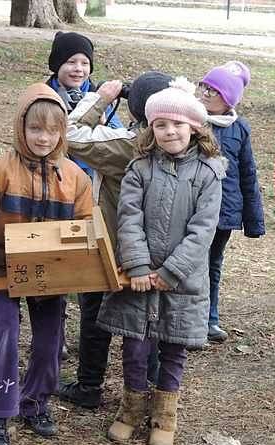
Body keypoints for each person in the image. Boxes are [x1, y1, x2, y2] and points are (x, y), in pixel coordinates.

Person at [96, 77, 224, 445]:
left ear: (195, 127)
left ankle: (164, 413)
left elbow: (204, 230)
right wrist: (136, 266)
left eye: (178, 124)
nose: (170, 131)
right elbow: (128, 217)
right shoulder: (140, 169)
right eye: (161, 125)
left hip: (181, 280)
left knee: (173, 347)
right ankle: (131, 408)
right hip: (139, 276)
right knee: (134, 345)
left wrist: (171, 271)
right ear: (151, 129)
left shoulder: (209, 172)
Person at [0, 83, 93, 445]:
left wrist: (82, 269)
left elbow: (86, 229)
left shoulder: (76, 177)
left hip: (51, 273)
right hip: (1, 268)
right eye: (35, 129)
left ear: (62, 132)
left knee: (50, 340)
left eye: (52, 130)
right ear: (20, 127)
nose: (44, 138)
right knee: (5, 332)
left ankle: (35, 402)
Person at [58, 71, 173, 409]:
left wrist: (103, 97)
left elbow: (68, 132)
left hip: (113, 243)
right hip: (156, 249)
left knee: (94, 312)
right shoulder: (182, 141)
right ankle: (149, 389)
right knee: (148, 321)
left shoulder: (127, 146)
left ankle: (89, 386)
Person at [45, 30, 123, 361]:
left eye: (84, 62)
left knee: (89, 268)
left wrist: (104, 116)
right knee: (57, 266)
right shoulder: (45, 96)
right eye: (70, 62)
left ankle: (89, 335)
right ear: (56, 65)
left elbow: (118, 137)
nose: (78, 69)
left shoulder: (101, 96)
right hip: (56, 189)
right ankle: (54, 333)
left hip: (92, 191)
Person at [196, 61, 265, 342]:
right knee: (192, 264)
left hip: (225, 211)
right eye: (204, 86)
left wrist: (254, 220)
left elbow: (248, 174)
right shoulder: (189, 120)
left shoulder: (240, 129)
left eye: (213, 90)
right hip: (195, 209)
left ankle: (210, 318)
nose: (205, 93)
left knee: (213, 263)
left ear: (228, 100)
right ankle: (190, 319)